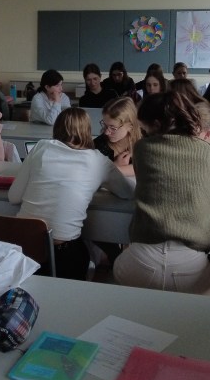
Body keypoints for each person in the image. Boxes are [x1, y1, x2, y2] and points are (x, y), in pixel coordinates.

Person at [113, 91, 210, 295]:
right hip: (193, 268)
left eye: (144, 129)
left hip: (140, 262)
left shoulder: (142, 148)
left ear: (156, 125)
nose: (143, 133)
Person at [8, 108, 133, 280]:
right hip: (62, 257)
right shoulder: (98, 160)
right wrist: (114, 170)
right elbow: (126, 192)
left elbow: (13, 197)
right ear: (87, 131)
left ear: (56, 128)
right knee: (87, 252)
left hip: (22, 251)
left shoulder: (41, 147)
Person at [93, 96, 140, 177]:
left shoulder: (143, 142)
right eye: (105, 125)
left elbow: (147, 167)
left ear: (130, 126)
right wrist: (115, 165)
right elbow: (92, 174)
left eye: (113, 128)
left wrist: (113, 169)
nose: (106, 132)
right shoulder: (98, 145)